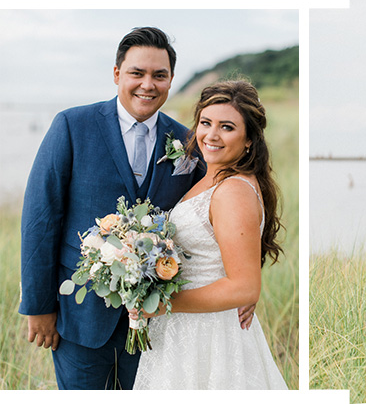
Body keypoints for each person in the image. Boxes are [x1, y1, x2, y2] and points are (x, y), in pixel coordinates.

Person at [18, 26, 208, 390]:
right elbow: (40, 219)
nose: (147, 85)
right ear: (117, 73)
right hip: (81, 320)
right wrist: (38, 306)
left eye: (159, 75)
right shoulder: (72, 126)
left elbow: (210, 215)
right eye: (137, 73)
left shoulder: (187, 143)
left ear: (170, 80)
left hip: (159, 324)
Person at [129, 80, 288, 389]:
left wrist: (165, 303)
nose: (211, 135)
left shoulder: (233, 192)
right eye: (205, 123)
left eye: (226, 127)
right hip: (188, 327)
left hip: (210, 336)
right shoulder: (212, 176)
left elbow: (244, 288)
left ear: (249, 141)